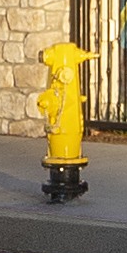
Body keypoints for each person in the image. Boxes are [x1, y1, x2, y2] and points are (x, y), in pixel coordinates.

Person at [36, 39, 91, 202]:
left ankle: (64, 178)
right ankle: (64, 177)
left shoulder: (62, 76)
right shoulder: (62, 80)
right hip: (61, 126)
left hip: (64, 126)